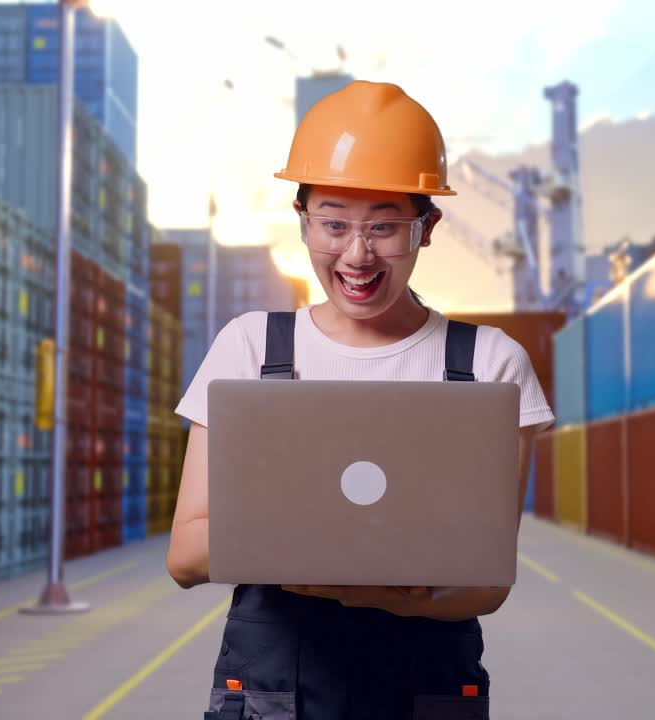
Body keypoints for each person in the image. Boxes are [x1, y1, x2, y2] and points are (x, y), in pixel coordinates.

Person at [167, 80, 555, 720]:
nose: (356, 254)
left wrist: (380, 594)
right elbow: (185, 555)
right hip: (274, 695)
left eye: (384, 228)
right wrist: (354, 560)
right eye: (334, 224)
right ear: (303, 221)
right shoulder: (251, 349)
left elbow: (486, 582)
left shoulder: (491, 363)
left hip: (424, 691)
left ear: (426, 229)